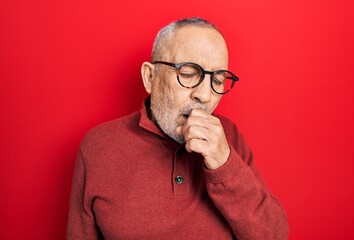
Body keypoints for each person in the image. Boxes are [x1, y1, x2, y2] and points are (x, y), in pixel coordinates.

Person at [67, 17, 289, 239]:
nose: (204, 95)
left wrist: (224, 164)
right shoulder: (99, 146)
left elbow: (275, 235)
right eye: (188, 74)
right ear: (150, 77)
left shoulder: (229, 137)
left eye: (218, 80)